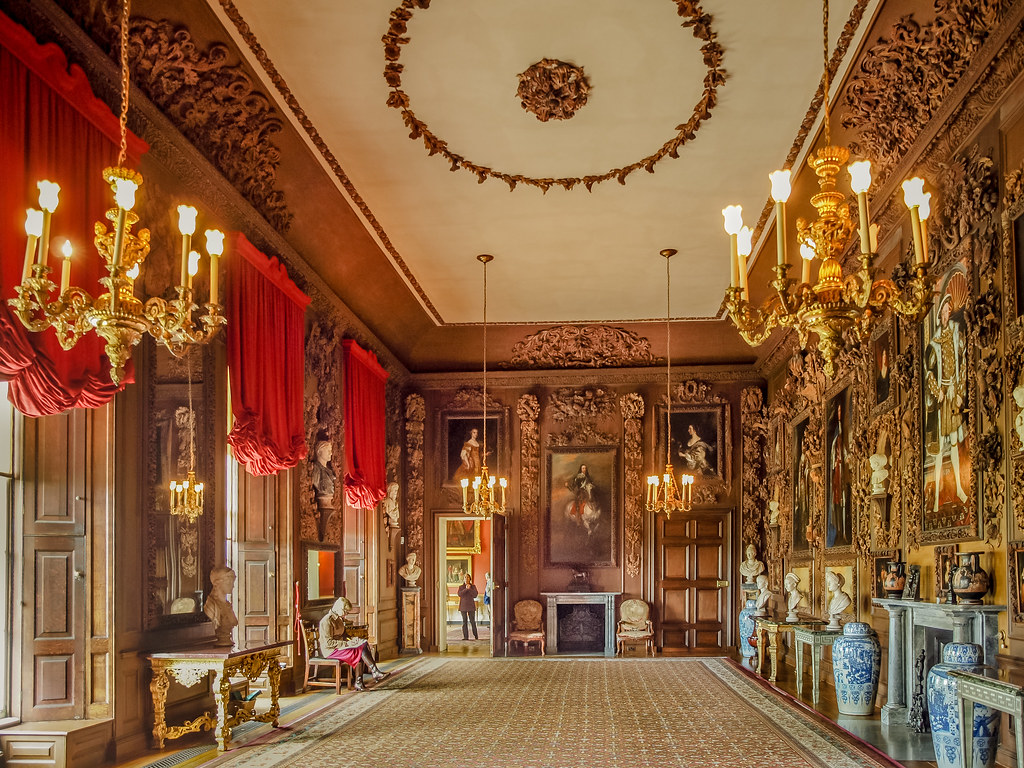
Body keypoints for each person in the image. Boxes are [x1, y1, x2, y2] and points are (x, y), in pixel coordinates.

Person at [926, 293, 968, 511]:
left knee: (953, 442)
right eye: (945, 309)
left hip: (953, 394)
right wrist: (937, 392)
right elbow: (929, 373)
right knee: (941, 447)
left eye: (950, 309)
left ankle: (960, 488)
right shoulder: (935, 342)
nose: (948, 312)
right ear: (940, 312)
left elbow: (962, 364)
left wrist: (959, 391)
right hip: (942, 397)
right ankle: (936, 497)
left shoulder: (954, 336)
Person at [319, 597, 390, 691]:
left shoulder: (339, 619)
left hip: (340, 647)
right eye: (346, 612)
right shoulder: (327, 621)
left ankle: (365, 678)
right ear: (339, 609)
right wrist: (348, 644)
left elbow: (344, 635)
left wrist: (353, 640)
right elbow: (328, 643)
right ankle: (367, 676)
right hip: (331, 651)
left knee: (363, 644)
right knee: (360, 651)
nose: (346, 614)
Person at [204, 566, 238, 646]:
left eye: (232, 582)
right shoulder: (211, 605)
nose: (232, 586)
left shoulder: (227, 605)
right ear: (218, 583)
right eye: (229, 583)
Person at [458, 572, 479, 641]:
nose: (466, 578)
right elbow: (460, 594)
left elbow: (475, 595)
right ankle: (465, 637)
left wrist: (469, 589)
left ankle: (476, 635)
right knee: (464, 622)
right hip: (463, 606)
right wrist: (466, 589)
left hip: (471, 606)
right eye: (465, 577)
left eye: (467, 577)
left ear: (470, 578)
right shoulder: (461, 587)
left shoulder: (473, 586)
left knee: (472, 621)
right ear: (463, 579)